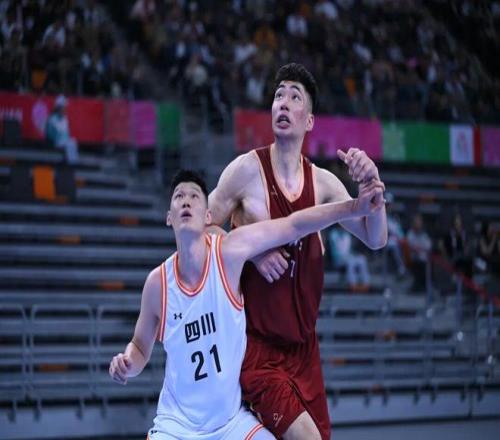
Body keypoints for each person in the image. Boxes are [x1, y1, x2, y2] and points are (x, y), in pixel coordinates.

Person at [108, 169, 383, 440]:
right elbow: (140, 346)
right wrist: (128, 363)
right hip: (176, 427)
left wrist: (352, 208)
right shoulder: (157, 284)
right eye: (179, 196)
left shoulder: (228, 253)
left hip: (231, 424)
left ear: (207, 216)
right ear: (169, 217)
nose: (186, 201)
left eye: (194, 196)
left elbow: (293, 225)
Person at [208, 63, 387, 440]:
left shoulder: (323, 183)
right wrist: (251, 251)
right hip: (257, 349)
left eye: (294, 97)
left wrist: (373, 186)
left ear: (309, 121)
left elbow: (376, 238)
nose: (284, 103)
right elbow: (201, 229)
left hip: (305, 353)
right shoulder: (246, 171)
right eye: (278, 96)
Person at [45, 94, 79, 164]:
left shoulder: (64, 119)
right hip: (56, 142)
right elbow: (49, 134)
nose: (65, 109)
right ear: (58, 108)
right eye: (63, 108)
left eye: (65, 107)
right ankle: (71, 163)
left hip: (63, 141)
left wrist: (66, 140)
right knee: (70, 144)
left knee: (72, 142)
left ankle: (71, 162)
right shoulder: (52, 119)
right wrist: (56, 139)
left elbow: (66, 134)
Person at [406, 213, 432, 292]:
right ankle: (418, 287)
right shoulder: (410, 234)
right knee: (421, 266)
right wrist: (419, 249)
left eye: (420, 222)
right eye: (417, 222)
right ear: (413, 223)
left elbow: (428, 246)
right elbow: (411, 246)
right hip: (414, 259)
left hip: (424, 258)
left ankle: (424, 286)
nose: (419, 224)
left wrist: (421, 248)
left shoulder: (424, 234)